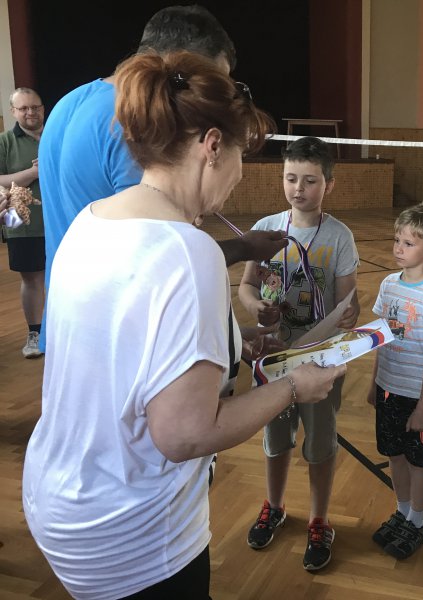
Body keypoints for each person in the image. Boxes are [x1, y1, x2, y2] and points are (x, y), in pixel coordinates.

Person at [22, 51, 345, 600]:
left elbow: (129, 348)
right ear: (212, 145)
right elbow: (186, 434)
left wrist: (236, 342)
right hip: (131, 528)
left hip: (59, 497)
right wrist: (294, 386)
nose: (240, 175)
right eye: (241, 155)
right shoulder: (188, 252)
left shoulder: (90, 220)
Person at [37, 4, 286, 354]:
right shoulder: (137, 124)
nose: (211, 97)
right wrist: (243, 249)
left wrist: (228, 334)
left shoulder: (69, 103)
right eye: (210, 81)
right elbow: (162, 257)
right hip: (126, 339)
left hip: (71, 325)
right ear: (177, 65)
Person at [238, 136, 360, 571]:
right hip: (273, 359)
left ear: (329, 184)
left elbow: (349, 302)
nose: (298, 188)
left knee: (320, 444)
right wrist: (256, 307)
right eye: (291, 178)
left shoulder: (339, 236)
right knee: (276, 441)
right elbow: (247, 286)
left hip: (321, 363)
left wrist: (351, 313)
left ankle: (318, 519)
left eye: (310, 180)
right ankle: (274, 506)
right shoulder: (266, 228)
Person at [367, 203, 423, 560]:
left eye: (408, 243)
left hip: (419, 397)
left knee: (418, 461)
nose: (398, 248)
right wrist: (375, 382)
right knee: (394, 454)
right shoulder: (388, 285)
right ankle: (402, 512)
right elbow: (381, 337)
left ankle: (417, 519)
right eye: (397, 240)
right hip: (389, 388)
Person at [0, 87, 45, 358]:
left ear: (43, 108)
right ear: (13, 111)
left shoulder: (56, 136)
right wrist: (33, 172)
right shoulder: (4, 141)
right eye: (24, 108)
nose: (31, 113)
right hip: (17, 221)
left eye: (35, 107)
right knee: (31, 278)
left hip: (60, 216)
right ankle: (35, 333)